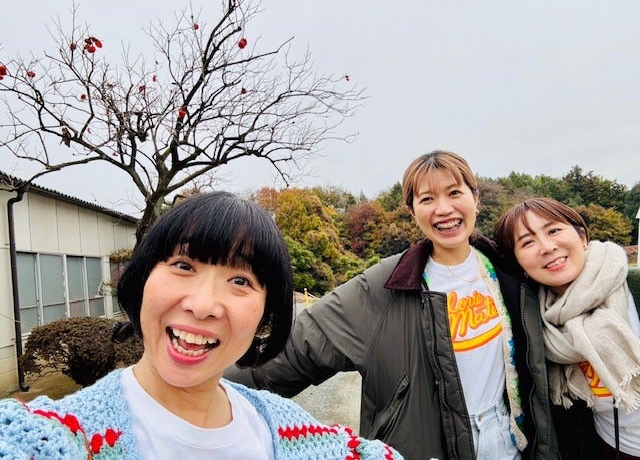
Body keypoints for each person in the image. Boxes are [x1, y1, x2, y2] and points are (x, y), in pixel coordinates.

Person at [0, 191, 404, 460]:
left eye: (240, 281)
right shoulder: (55, 437)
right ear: (142, 278)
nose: (203, 305)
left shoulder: (289, 431)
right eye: (183, 265)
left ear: (266, 315)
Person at [226, 150, 561, 460]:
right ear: (412, 211)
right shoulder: (382, 287)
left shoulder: (510, 270)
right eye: (427, 199)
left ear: (475, 198)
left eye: (454, 193)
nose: (444, 209)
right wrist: (208, 388)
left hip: (508, 438)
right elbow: (297, 348)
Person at [493, 197, 640, 460]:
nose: (547, 247)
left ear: (582, 237)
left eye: (553, 230)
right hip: (611, 447)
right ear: (518, 264)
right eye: (527, 242)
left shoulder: (632, 287)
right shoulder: (533, 322)